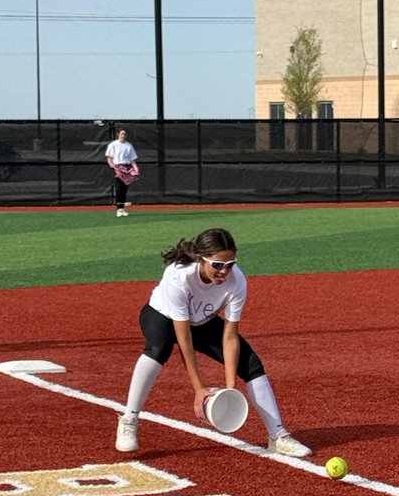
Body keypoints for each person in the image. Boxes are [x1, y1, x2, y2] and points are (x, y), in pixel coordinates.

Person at [114, 226, 313, 458]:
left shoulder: (237, 281)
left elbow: (230, 336)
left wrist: (231, 388)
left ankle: (278, 436)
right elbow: (184, 338)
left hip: (202, 322)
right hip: (163, 316)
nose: (224, 271)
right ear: (201, 259)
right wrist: (198, 390)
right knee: (159, 347)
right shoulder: (179, 275)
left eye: (230, 264)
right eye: (218, 265)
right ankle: (129, 419)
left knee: (251, 364)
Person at [105, 127, 139, 218]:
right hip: (117, 168)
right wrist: (114, 167)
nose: (123, 136)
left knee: (124, 190)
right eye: (122, 134)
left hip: (127, 169)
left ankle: (122, 209)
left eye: (125, 134)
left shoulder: (129, 146)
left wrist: (136, 169)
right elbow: (109, 159)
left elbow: (132, 160)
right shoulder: (113, 145)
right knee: (119, 189)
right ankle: (119, 209)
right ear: (118, 135)